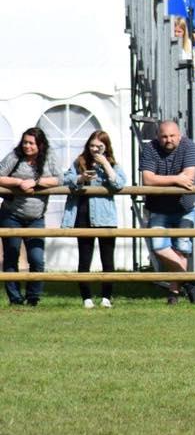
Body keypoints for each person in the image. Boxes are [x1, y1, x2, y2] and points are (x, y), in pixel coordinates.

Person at [61, 131, 127, 309]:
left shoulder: (112, 163)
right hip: (82, 215)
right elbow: (66, 179)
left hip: (105, 217)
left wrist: (105, 164)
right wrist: (81, 178)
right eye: (92, 145)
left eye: (99, 146)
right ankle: (86, 298)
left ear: (106, 146)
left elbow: (119, 183)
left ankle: (106, 297)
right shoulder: (79, 162)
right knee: (84, 258)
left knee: (108, 259)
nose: (95, 149)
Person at [140, 121, 195, 305]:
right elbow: (147, 180)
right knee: (159, 247)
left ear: (179, 135)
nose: (168, 140)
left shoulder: (189, 145)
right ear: (158, 137)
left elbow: (189, 176)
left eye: (172, 136)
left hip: (185, 206)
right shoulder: (150, 148)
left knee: (182, 249)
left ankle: (173, 293)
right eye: (164, 136)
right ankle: (190, 281)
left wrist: (163, 180)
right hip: (158, 207)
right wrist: (176, 179)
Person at [0, 128, 62, 306]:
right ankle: (15, 298)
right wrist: (19, 182)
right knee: (11, 256)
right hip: (11, 214)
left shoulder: (49, 156)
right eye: (25, 142)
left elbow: (60, 178)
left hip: (36, 216)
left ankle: (33, 297)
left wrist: (35, 182)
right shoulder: (15, 156)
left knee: (36, 258)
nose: (27, 146)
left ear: (40, 145)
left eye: (31, 143)